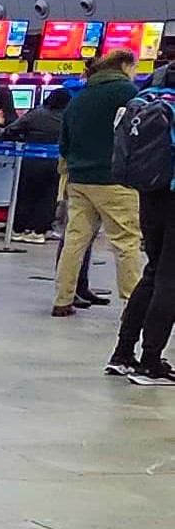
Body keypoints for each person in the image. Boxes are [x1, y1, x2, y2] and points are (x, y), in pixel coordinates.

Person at [52, 50, 144, 318]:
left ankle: (62, 299)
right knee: (126, 242)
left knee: (75, 241)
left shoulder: (78, 99)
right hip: (116, 181)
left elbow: (64, 142)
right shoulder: (130, 94)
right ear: (125, 66)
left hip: (79, 180)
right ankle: (132, 306)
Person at [110, 68, 175, 384]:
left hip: (150, 195)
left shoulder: (148, 99)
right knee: (170, 280)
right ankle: (151, 361)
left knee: (152, 273)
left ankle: (123, 353)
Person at [4, 86, 69, 239]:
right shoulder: (68, 117)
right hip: (55, 162)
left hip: (31, 160)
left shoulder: (36, 113)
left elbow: (12, 129)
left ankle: (19, 229)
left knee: (26, 194)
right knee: (48, 196)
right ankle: (39, 232)